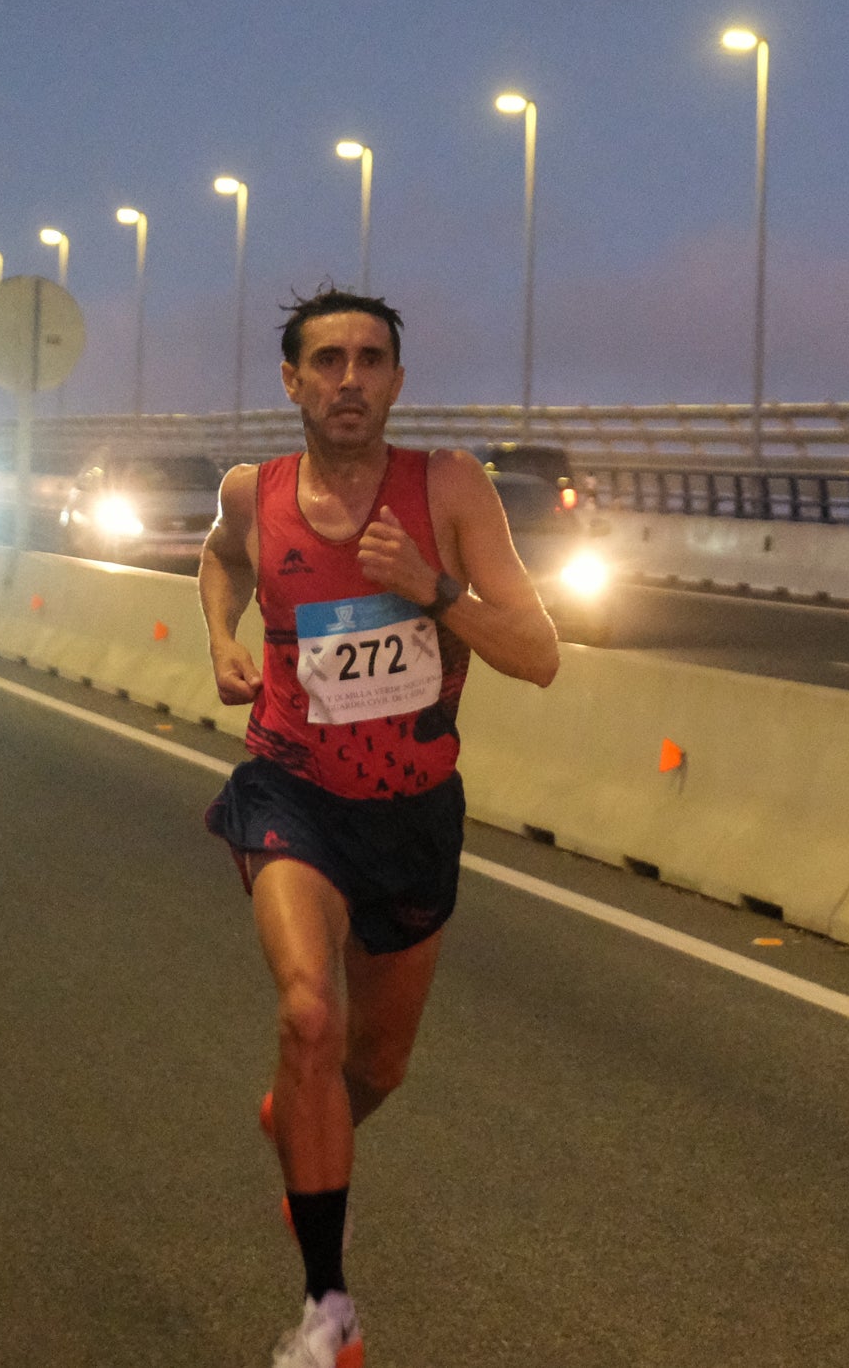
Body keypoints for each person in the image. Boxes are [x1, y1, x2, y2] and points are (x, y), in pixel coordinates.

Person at [197, 286, 561, 1368]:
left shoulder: (447, 489)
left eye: (370, 360)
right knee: (308, 1014)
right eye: (327, 360)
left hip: (410, 808)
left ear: (397, 381)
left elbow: (537, 653)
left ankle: (309, 1132)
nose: (348, 378)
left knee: (377, 1066)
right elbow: (219, 558)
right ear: (292, 381)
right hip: (291, 786)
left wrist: (431, 586)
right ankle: (329, 1311)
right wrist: (222, 640)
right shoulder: (250, 492)